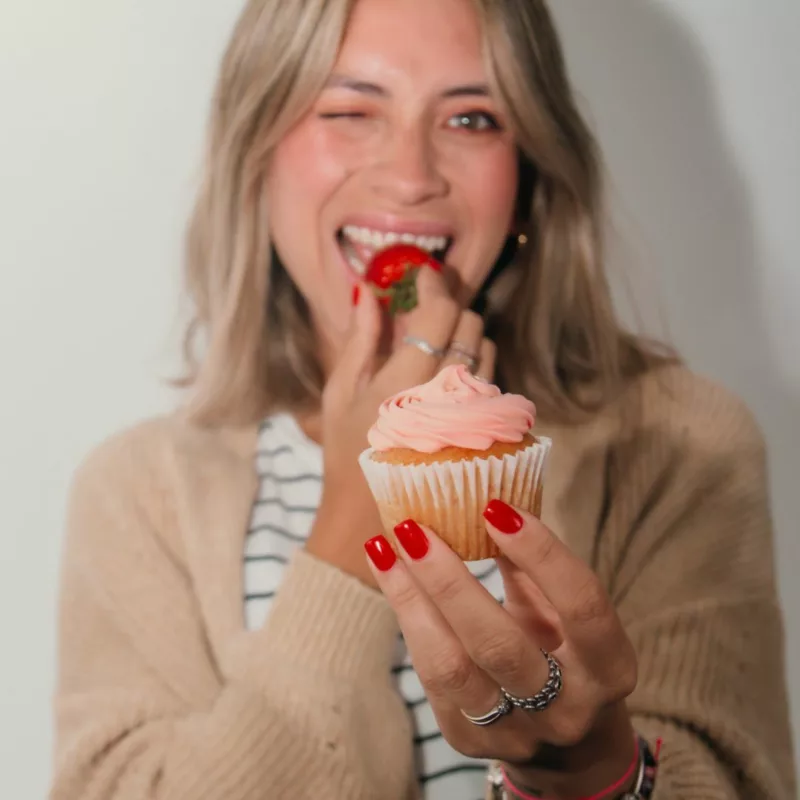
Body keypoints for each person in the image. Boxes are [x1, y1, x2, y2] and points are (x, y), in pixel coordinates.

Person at [50, 0, 796, 798]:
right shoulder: (140, 489)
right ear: (254, 152)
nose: (410, 178)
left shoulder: (680, 440)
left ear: (531, 170)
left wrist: (587, 772)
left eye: (473, 118)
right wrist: (350, 529)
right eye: (348, 108)